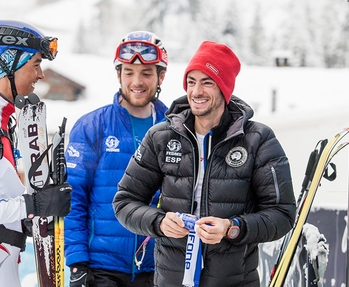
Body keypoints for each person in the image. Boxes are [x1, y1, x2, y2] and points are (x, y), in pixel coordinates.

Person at [113, 40, 296, 287]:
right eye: (191, 81)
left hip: (234, 281)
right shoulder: (161, 137)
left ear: (224, 87)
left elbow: (282, 215)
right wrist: (159, 222)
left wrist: (233, 228)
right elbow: (124, 201)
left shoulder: (258, 140)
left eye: (207, 82)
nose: (196, 91)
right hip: (172, 280)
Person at [0, 20, 72, 287]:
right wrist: (30, 206)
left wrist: (28, 218)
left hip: (0, 265)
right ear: (8, 65)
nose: (41, 75)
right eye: (35, 64)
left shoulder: (3, 123)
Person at [64, 31, 169, 287]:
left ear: (160, 76)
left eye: (146, 73)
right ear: (118, 74)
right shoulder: (92, 126)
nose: (137, 81)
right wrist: (77, 261)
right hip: (103, 269)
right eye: (129, 72)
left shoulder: (174, 128)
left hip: (159, 266)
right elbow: (73, 196)